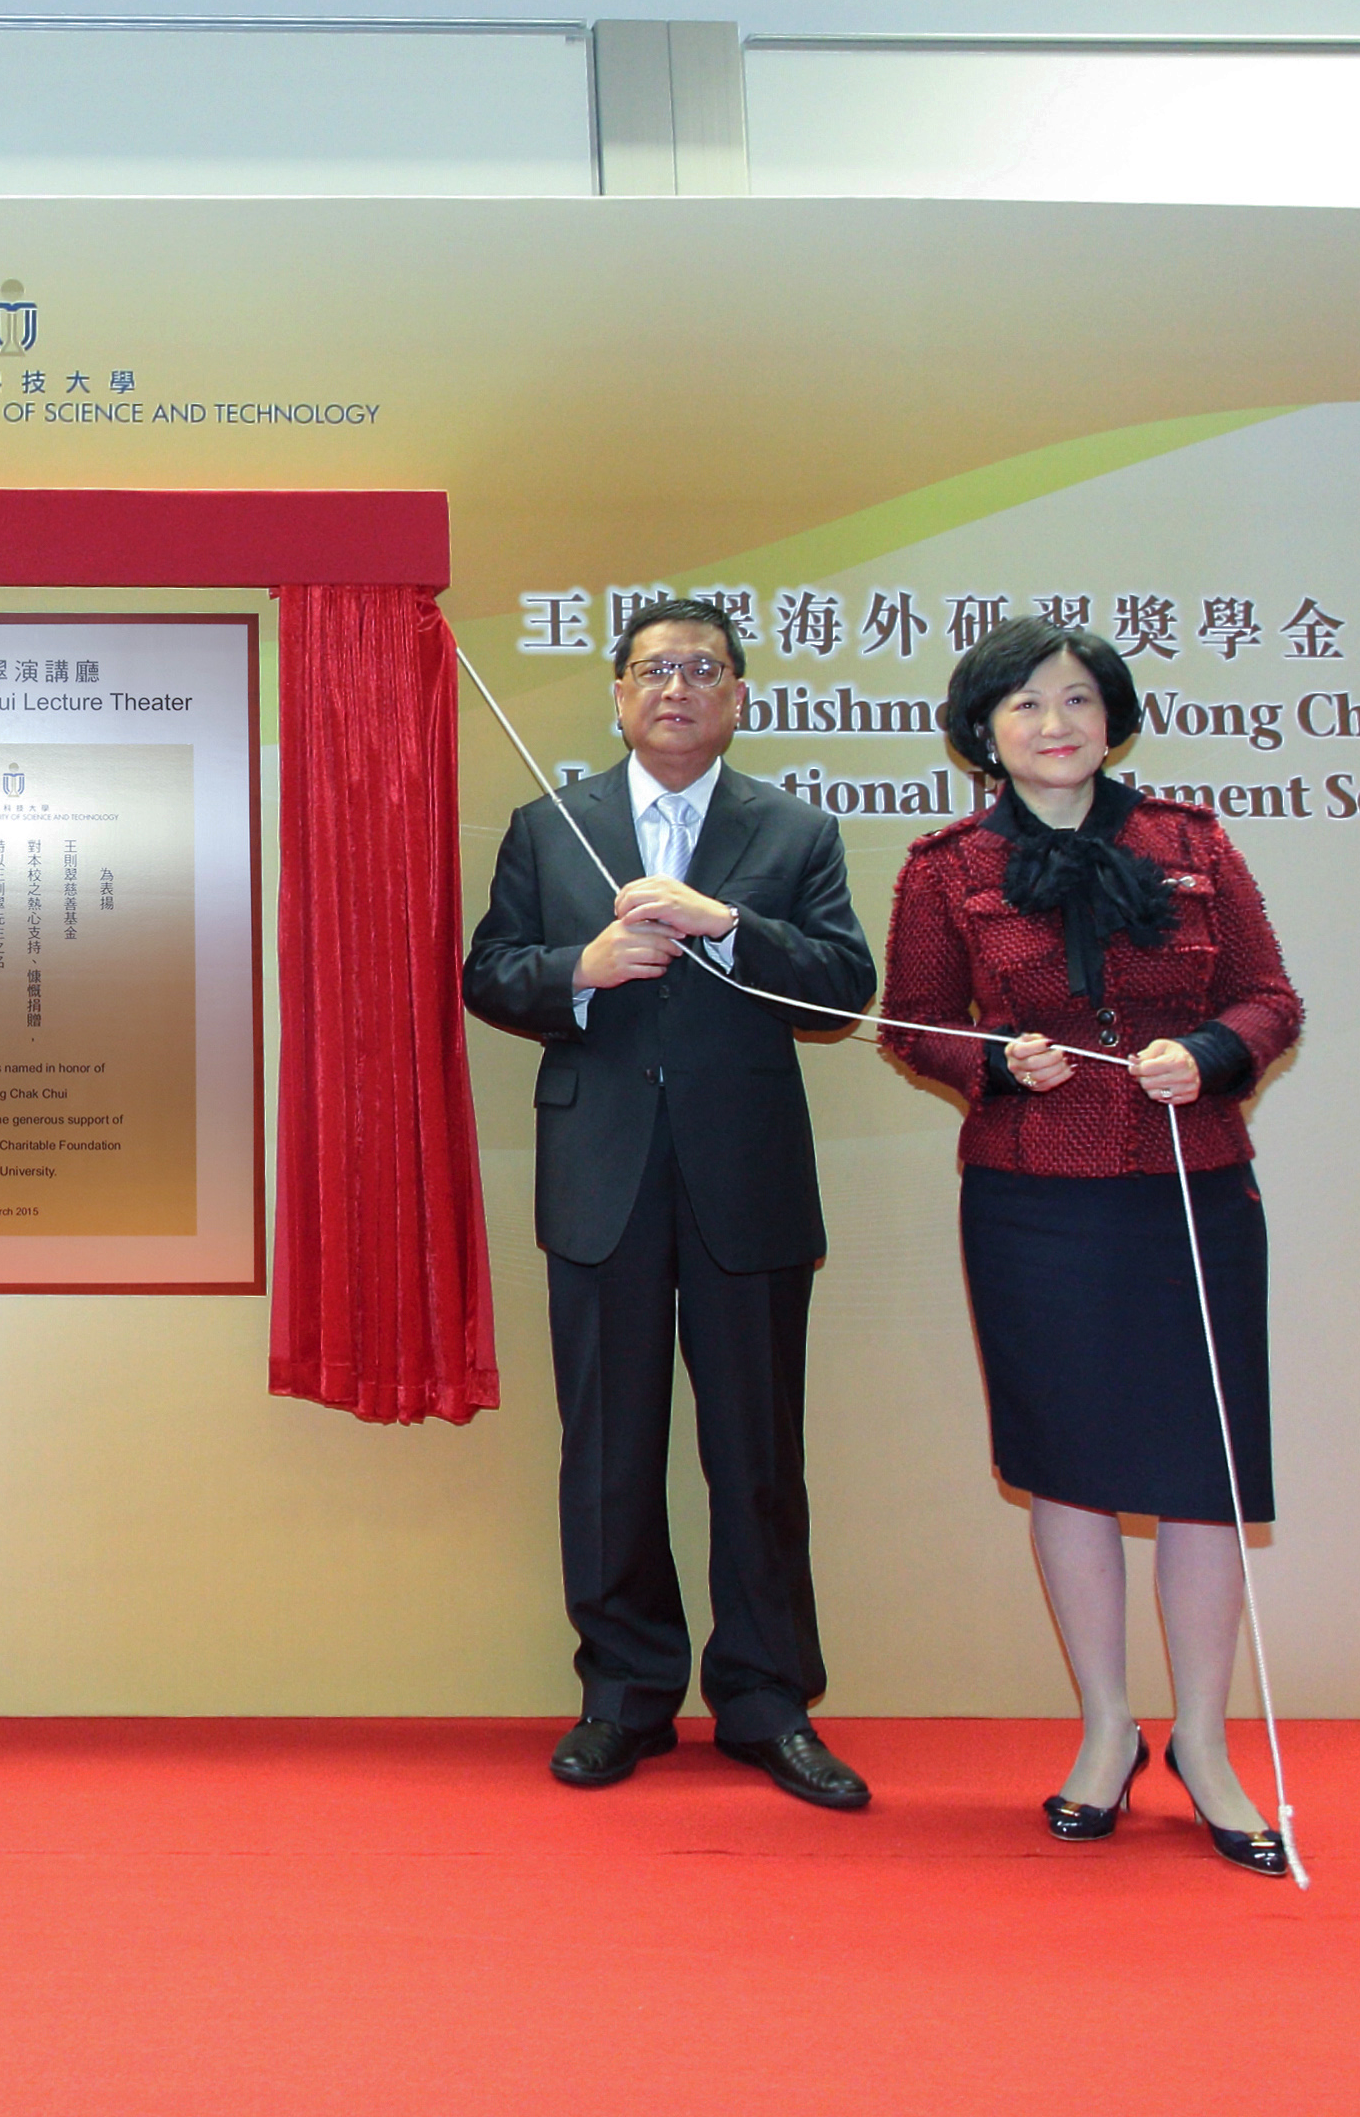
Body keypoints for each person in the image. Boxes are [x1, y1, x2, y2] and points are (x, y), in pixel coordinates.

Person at [878, 615, 1304, 1877]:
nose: (1053, 723)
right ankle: (1107, 1732)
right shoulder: (942, 866)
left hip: (1193, 1188)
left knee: (1200, 1471)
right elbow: (910, 1019)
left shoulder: (1193, 844)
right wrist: (995, 1060)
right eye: (1022, 706)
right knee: (1066, 1465)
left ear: (1113, 720)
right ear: (982, 735)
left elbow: (1271, 997)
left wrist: (1213, 1051)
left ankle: (1210, 1745)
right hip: (1031, 1196)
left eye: (1076, 699)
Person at [462, 596, 880, 1811]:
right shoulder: (551, 828)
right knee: (608, 1454)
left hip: (745, 1179)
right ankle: (624, 1697)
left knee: (756, 1452)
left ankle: (766, 1701)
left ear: (739, 697)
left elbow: (846, 989)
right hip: (600, 1175)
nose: (676, 687)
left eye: (702, 669)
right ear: (619, 694)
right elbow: (489, 971)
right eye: (652, 669)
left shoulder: (793, 830)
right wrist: (578, 974)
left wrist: (730, 928)